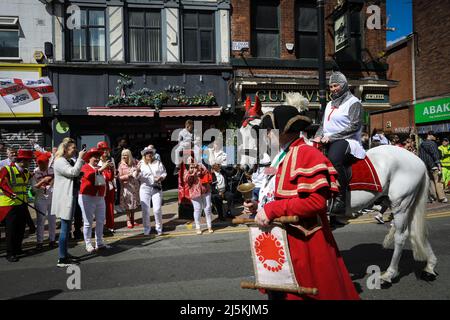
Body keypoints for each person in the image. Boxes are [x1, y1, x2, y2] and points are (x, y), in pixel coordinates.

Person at [244, 102, 360, 300]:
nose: (266, 136)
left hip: (302, 242)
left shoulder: (307, 153)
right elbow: (282, 194)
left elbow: (315, 202)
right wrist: (259, 207)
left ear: (284, 131)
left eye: (269, 131)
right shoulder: (281, 155)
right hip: (280, 242)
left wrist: (272, 209)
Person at [313, 71, 366, 216]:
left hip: (348, 140)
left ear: (343, 85)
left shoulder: (354, 102)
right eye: (331, 86)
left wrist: (332, 138)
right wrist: (317, 137)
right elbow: (323, 125)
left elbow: (354, 126)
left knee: (334, 159)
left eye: (336, 85)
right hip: (327, 139)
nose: (333, 89)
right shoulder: (330, 104)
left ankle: (340, 200)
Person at [52, 138, 86, 267]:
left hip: (70, 195)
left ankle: (65, 253)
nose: (75, 150)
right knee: (65, 229)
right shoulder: (60, 161)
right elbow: (73, 172)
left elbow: (74, 174)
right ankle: (61, 258)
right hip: (65, 197)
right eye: (73, 148)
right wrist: (80, 158)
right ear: (65, 149)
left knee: (67, 227)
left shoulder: (66, 160)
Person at [0, 150, 34, 262]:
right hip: (9, 205)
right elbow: (2, 184)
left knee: (20, 229)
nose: (30, 162)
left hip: (22, 204)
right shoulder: (7, 169)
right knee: (11, 230)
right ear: (23, 161)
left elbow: (32, 177)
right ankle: (10, 253)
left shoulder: (25, 172)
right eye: (28, 160)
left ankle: (18, 249)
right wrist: (11, 193)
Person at [79, 147, 111, 253]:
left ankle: (99, 242)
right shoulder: (85, 167)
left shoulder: (99, 167)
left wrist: (110, 169)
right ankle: (88, 244)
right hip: (87, 196)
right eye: (94, 157)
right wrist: (102, 169)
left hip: (100, 197)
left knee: (101, 220)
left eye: (98, 157)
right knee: (88, 222)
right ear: (89, 158)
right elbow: (90, 176)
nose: (97, 159)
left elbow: (108, 178)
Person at [138, 146, 167, 236]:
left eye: (150, 153)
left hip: (156, 187)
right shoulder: (140, 163)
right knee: (145, 210)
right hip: (145, 188)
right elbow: (136, 176)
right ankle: (147, 229)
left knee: (157, 209)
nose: (149, 154)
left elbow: (164, 173)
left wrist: (161, 177)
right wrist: (137, 171)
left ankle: (159, 228)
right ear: (144, 155)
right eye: (147, 153)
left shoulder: (158, 163)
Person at [31, 151, 56, 250]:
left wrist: (52, 182)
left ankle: (52, 240)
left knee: (52, 220)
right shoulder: (34, 172)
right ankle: (39, 242)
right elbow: (33, 189)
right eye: (40, 163)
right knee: (41, 221)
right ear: (38, 163)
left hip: (52, 197)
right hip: (40, 198)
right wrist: (43, 181)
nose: (43, 165)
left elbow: (57, 183)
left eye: (45, 163)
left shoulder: (52, 170)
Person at [183, 156, 213, 234]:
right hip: (194, 192)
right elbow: (186, 180)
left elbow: (206, 171)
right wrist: (192, 172)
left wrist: (198, 167)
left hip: (205, 189)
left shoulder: (200, 165)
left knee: (208, 208)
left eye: (193, 161)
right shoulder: (187, 171)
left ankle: (209, 226)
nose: (192, 163)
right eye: (190, 162)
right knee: (197, 209)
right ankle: (198, 227)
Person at [419, 132, 447, 203]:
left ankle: (434, 197)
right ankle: (442, 197)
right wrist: (439, 165)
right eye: (434, 135)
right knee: (438, 181)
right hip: (433, 165)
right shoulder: (432, 143)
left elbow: (421, 156)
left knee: (431, 182)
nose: (435, 137)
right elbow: (435, 154)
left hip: (425, 166)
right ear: (429, 135)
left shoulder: (421, 144)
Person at [118, 149, 140, 228]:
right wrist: (128, 176)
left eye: (126, 155)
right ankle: (128, 220)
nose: (124, 156)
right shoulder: (121, 165)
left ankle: (133, 219)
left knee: (134, 203)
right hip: (126, 187)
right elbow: (119, 178)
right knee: (128, 204)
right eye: (123, 155)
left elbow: (138, 171)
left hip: (134, 186)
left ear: (129, 155)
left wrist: (138, 171)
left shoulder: (134, 163)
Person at [97, 141, 116, 234]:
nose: (105, 151)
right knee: (100, 207)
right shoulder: (97, 161)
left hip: (109, 186)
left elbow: (112, 176)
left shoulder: (111, 160)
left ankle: (110, 225)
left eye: (106, 149)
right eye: (103, 150)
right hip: (100, 186)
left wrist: (112, 169)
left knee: (110, 206)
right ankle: (100, 226)